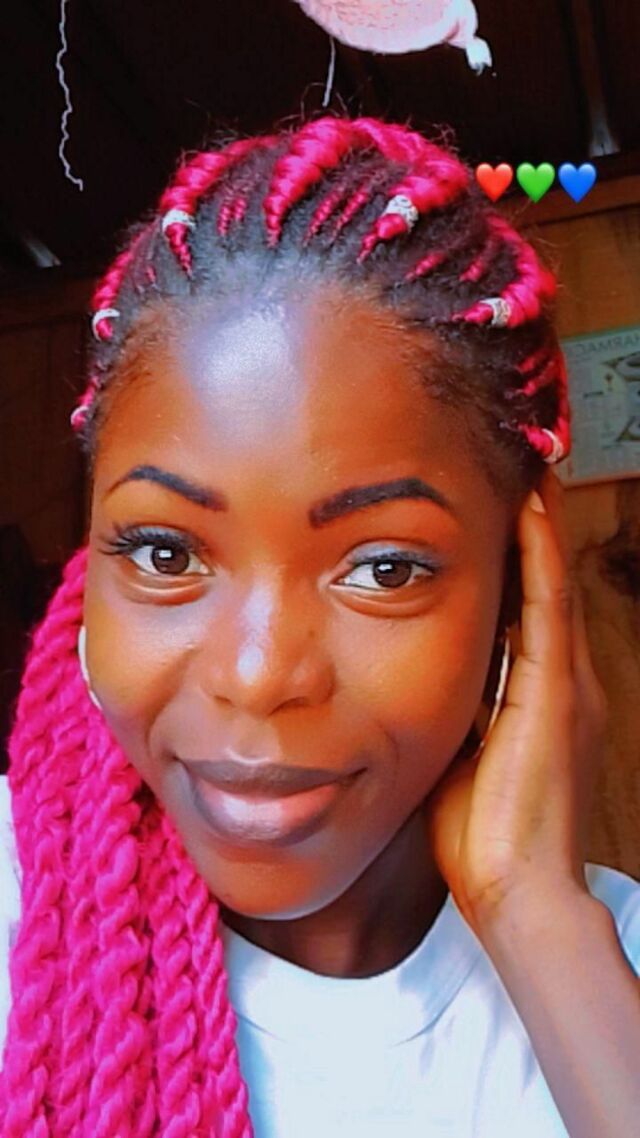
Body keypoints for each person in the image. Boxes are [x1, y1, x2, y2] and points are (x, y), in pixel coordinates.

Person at [0, 114, 638, 1138]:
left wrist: (536, 916)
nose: (258, 674)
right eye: (164, 553)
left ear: (521, 590)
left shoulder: (608, 964)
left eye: (384, 568)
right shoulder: (19, 901)